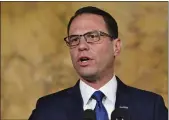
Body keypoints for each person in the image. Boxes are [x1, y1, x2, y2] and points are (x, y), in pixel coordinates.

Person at [29, 6, 168, 120]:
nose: (82, 46)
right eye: (74, 39)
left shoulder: (150, 107)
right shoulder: (47, 110)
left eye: (92, 37)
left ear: (116, 46)